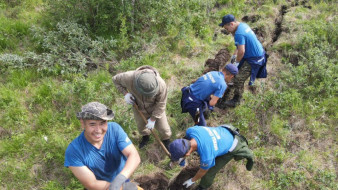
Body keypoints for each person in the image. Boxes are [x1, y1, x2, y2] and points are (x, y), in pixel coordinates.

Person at [64, 102, 141, 190]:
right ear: (82, 123)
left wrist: (119, 180)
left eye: (102, 123)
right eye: (92, 124)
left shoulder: (114, 130)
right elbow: (92, 184)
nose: (98, 130)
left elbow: (134, 156)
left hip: (122, 180)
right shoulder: (74, 151)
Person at [169, 125, 254, 190]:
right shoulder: (191, 130)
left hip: (233, 144)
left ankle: (203, 187)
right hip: (224, 132)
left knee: (210, 171)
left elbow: (202, 171)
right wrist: (181, 160)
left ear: (187, 154)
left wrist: (192, 180)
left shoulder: (207, 157)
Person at [112, 65, 172, 149]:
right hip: (138, 106)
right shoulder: (128, 77)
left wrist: (153, 119)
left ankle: (166, 140)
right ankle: (145, 137)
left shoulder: (161, 85)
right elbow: (115, 80)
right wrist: (125, 93)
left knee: (164, 128)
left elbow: (161, 104)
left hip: (155, 108)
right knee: (141, 126)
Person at [219, 14, 268, 107]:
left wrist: (235, 63)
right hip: (254, 53)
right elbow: (238, 48)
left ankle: (236, 100)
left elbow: (241, 51)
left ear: (232, 24)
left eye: (227, 28)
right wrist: (233, 59)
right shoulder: (242, 25)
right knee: (235, 71)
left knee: (238, 79)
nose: (227, 31)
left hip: (254, 59)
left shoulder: (239, 34)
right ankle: (229, 89)